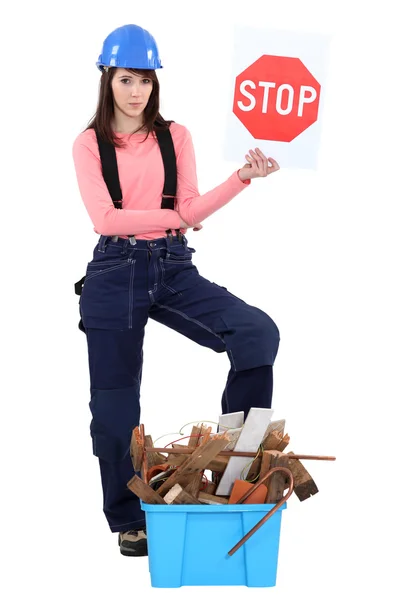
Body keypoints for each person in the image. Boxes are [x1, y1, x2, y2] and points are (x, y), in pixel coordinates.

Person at [72, 23, 281, 557]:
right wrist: (172, 217)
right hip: (114, 274)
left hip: (173, 266)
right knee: (115, 412)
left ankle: (236, 463)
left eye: (145, 79)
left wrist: (242, 179)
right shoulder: (89, 143)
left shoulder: (176, 137)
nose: (136, 90)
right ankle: (127, 518)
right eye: (125, 79)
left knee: (256, 332)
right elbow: (105, 219)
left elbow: (188, 210)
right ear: (106, 79)